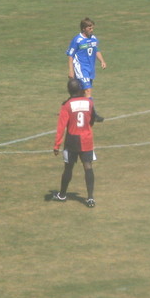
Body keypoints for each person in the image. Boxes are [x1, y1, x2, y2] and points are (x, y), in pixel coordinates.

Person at [53, 78, 102, 207]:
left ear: (69, 90)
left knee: (68, 167)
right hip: (86, 139)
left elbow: (61, 127)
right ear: (80, 89)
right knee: (88, 166)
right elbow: (92, 120)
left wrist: (57, 144)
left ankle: (62, 195)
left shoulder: (67, 105)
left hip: (72, 140)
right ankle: (90, 198)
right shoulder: (89, 103)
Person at [67, 17, 106, 119]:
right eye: (90, 28)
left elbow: (96, 50)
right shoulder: (77, 40)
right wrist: (71, 70)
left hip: (90, 69)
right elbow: (70, 55)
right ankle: (92, 114)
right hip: (81, 68)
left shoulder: (93, 38)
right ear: (83, 28)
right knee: (88, 91)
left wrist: (102, 61)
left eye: (92, 28)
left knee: (81, 92)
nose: (91, 30)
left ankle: (71, 110)